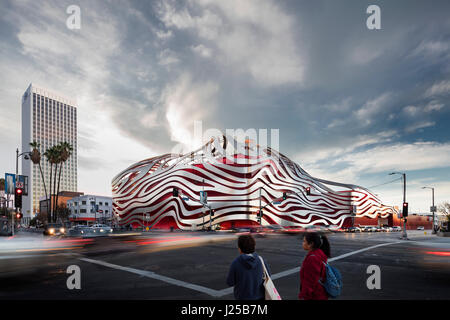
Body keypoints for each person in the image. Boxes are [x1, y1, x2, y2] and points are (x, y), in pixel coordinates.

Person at [226, 234, 271, 300]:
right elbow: (268, 276)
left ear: (240, 248)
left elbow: (230, 282)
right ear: (254, 246)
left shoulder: (236, 263)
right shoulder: (261, 260)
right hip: (260, 297)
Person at [299, 232, 331, 300]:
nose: (303, 243)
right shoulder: (319, 254)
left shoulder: (312, 259)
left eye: (304, 241)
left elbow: (310, 282)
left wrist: (304, 296)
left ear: (311, 244)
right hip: (321, 294)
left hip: (315, 296)